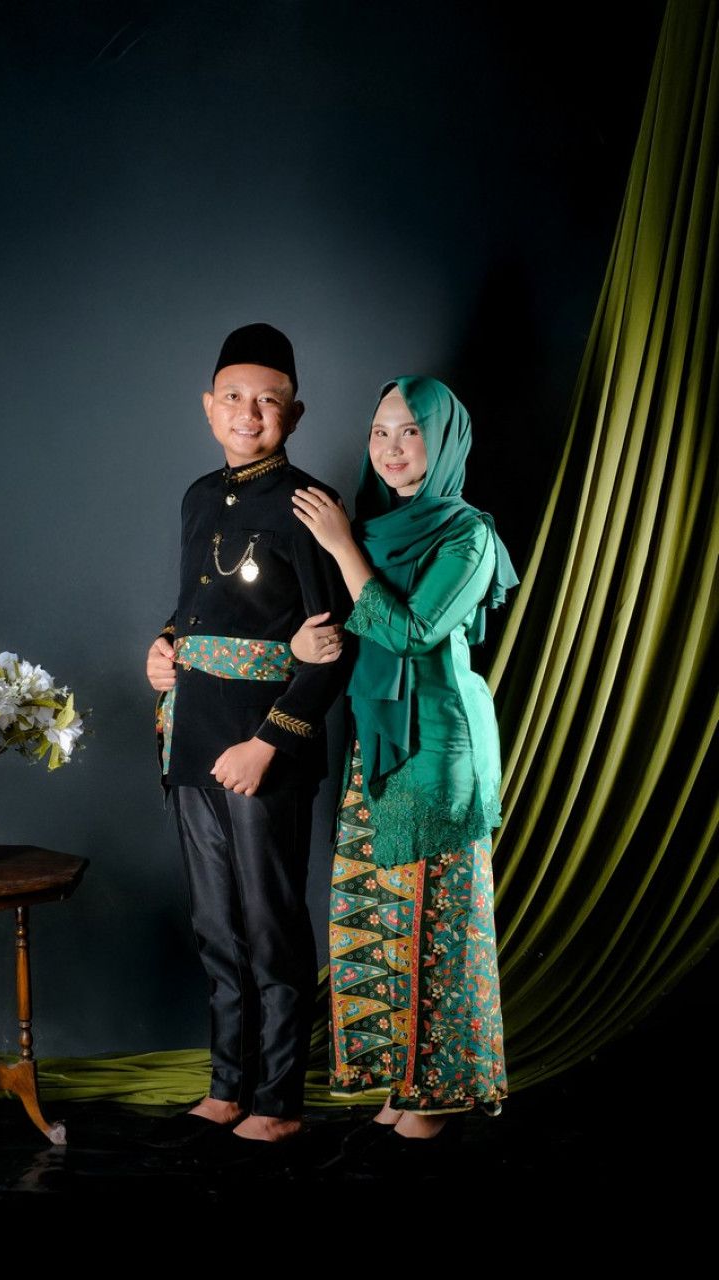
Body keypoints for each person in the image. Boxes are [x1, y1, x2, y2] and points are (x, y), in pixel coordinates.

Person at [290, 375, 517, 1156]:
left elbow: (412, 632)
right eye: (380, 431)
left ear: (443, 441)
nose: (391, 447)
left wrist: (342, 547)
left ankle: (438, 1092)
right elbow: (341, 625)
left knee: (435, 922)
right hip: (380, 740)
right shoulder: (377, 528)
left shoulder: (467, 536)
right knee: (381, 913)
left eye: (410, 431)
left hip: (437, 747)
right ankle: (401, 1081)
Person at [146, 323, 350, 1145]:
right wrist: (163, 646)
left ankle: (278, 1100)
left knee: (271, 926)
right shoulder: (199, 495)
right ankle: (227, 1088)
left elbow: (335, 646)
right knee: (215, 925)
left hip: (264, 749)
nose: (248, 413)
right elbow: (197, 606)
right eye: (233, 397)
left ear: (294, 415)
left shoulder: (309, 505)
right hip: (192, 737)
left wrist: (269, 743)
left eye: (268, 401)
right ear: (208, 407)